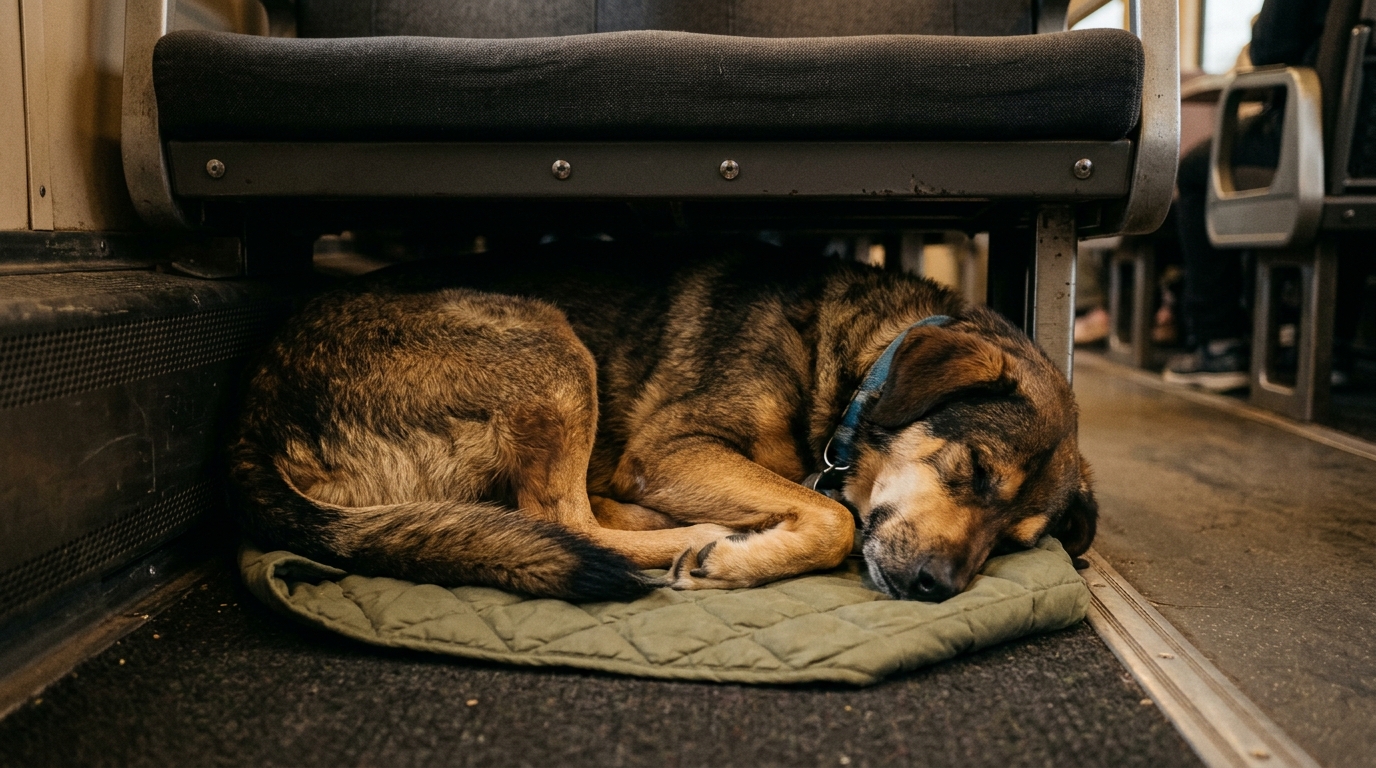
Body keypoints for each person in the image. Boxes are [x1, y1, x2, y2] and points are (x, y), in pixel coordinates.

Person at [1164, 0, 1332, 391]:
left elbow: (1270, 51)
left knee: (1194, 170)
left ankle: (1219, 342)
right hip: (1363, 154)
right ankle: (1333, 346)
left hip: (1314, 138)